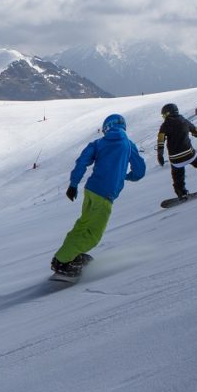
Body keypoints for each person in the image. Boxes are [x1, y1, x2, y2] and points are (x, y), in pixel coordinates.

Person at [53, 113, 146, 277]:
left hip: (90, 190)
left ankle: (66, 256)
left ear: (106, 128)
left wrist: (73, 184)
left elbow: (81, 162)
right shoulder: (128, 145)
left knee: (82, 225)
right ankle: (63, 262)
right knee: (93, 235)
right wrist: (124, 176)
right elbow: (139, 172)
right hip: (105, 195)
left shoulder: (98, 143)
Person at [155, 103, 197, 200]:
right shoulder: (184, 121)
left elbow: (160, 141)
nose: (164, 117)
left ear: (168, 113)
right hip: (189, 154)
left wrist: (160, 155)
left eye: (164, 115)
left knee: (178, 175)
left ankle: (181, 193)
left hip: (175, 158)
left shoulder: (164, 126)